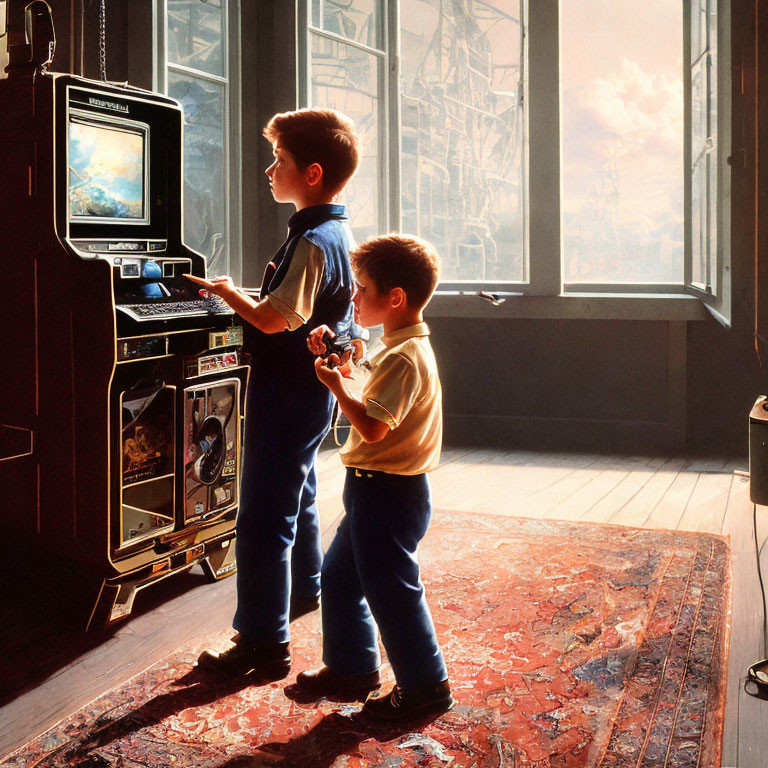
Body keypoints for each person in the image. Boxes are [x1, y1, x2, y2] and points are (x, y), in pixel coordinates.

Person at [185, 108, 360, 679]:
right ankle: (303, 592)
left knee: (262, 516)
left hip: (287, 394)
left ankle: (262, 644)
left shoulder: (312, 240)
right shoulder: (337, 231)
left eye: (278, 160)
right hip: (311, 393)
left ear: (310, 173)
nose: (269, 169)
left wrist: (225, 291)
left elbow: (273, 319)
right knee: (301, 492)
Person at [300, 234, 453, 721]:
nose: (353, 297)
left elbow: (371, 425)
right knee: (340, 577)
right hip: (374, 491)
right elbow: (376, 393)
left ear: (395, 298)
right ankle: (352, 668)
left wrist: (334, 386)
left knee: (393, 591)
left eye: (361, 289)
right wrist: (347, 370)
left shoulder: (403, 358)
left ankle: (426, 687)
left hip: (389, 494)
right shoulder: (398, 348)